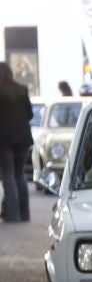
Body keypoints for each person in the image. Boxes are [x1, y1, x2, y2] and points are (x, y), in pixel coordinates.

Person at [0, 64, 32, 222]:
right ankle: (24, 213)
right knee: (20, 175)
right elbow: (30, 114)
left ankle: (12, 215)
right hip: (23, 139)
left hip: (4, 141)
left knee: (8, 175)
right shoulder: (22, 89)